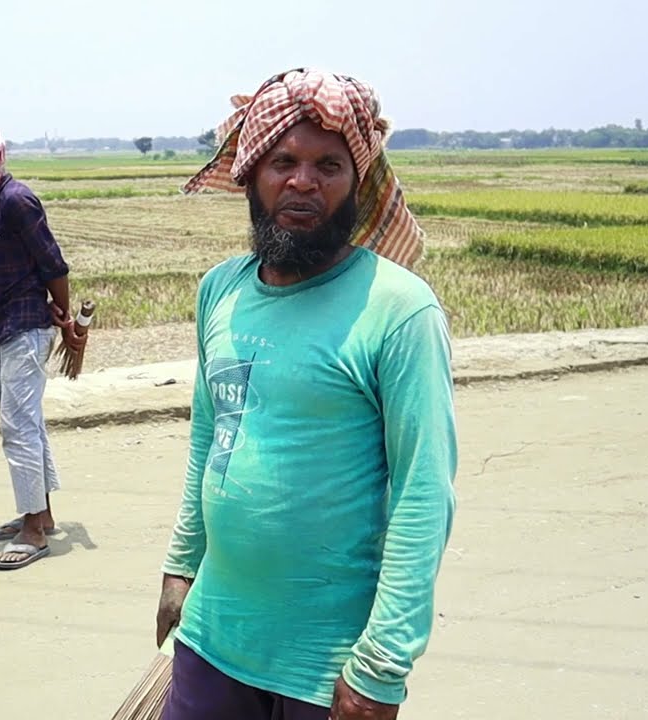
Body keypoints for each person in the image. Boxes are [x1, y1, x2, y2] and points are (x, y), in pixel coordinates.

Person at [155, 68, 458, 720]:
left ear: (357, 183)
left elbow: (423, 494)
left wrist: (382, 663)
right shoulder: (221, 291)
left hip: (327, 665)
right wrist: (181, 567)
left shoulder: (399, 310)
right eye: (283, 161)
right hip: (211, 636)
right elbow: (212, 434)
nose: (303, 181)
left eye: (329, 164)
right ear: (249, 171)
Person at [0, 121, 85, 570]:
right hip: (4, 325)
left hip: (27, 325)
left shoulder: (16, 200)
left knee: (18, 427)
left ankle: (32, 531)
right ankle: (39, 514)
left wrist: (64, 319)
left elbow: (53, 263)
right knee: (26, 422)